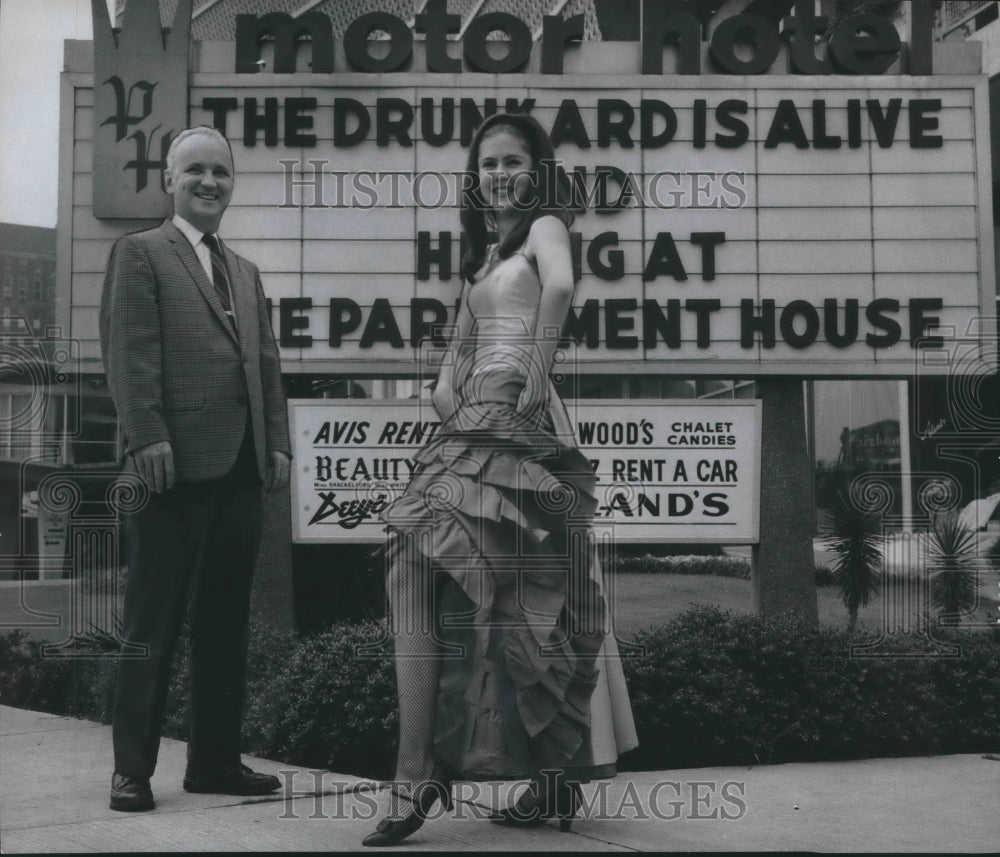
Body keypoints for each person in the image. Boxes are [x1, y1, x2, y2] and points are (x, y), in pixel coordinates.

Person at [364, 113, 638, 847]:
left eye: (512, 160)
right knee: (423, 574)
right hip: (469, 427)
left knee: (525, 595)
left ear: (536, 168)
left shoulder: (548, 222)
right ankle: (423, 766)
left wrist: (530, 378)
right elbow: (459, 343)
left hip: (518, 415)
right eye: (487, 164)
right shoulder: (483, 256)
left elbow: (562, 287)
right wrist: (444, 391)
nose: (498, 174)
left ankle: (528, 777)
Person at [99, 125, 291, 812]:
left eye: (221, 172)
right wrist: (144, 434)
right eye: (195, 171)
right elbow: (130, 352)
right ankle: (131, 769)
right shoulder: (142, 253)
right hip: (169, 469)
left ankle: (213, 761)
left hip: (240, 468)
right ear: (169, 181)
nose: (209, 181)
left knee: (224, 623)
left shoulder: (245, 269)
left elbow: (265, 365)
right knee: (153, 620)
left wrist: (278, 443)